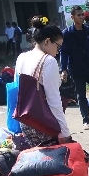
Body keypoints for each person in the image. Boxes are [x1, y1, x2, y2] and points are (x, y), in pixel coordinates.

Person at [14, 16, 71, 150]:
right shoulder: (48, 61)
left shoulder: (22, 57)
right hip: (44, 123)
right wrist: (65, 131)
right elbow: (54, 100)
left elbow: (18, 90)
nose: (58, 52)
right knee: (53, 165)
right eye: (58, 46)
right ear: (47, 41)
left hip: (27, 121)